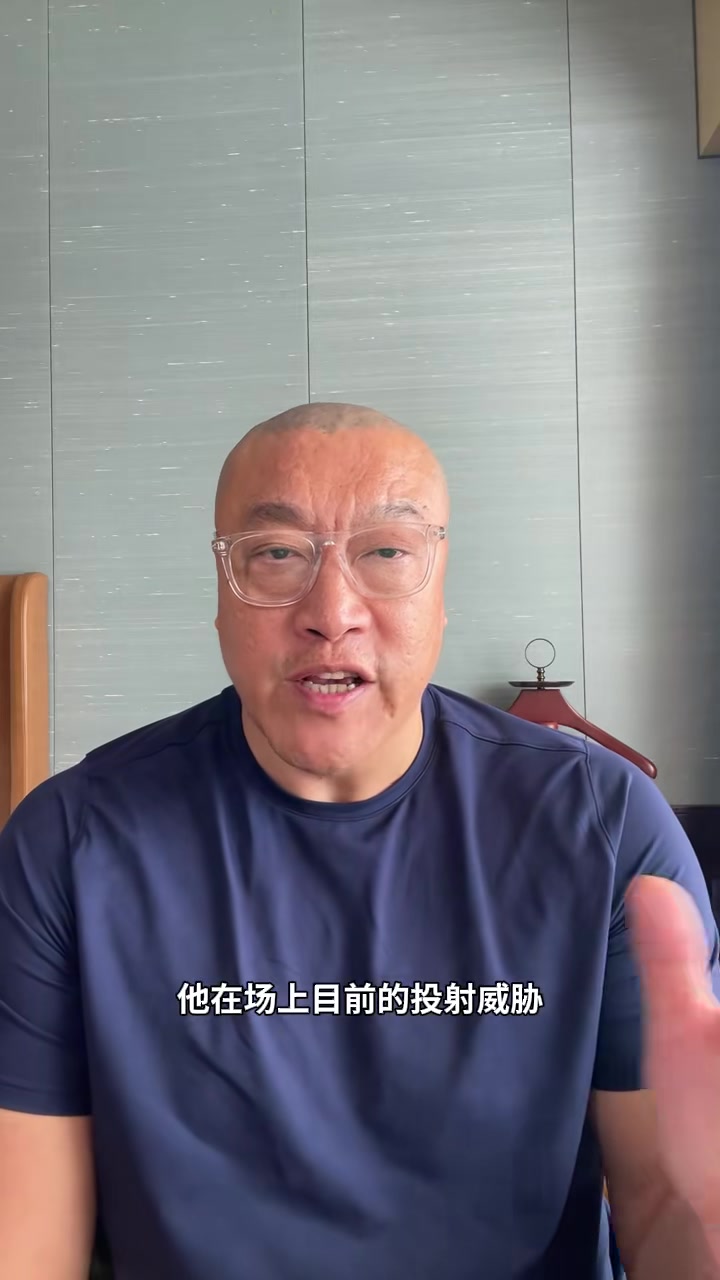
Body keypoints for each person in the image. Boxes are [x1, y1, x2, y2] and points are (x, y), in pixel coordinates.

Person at [0, 402, 718, 1280]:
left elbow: (666, 1211)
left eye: (386, 553)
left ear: (441, 593)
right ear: (220, 596)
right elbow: (28, 1245)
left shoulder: (603, 827)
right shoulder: (70, 845)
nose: (331, 612)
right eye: (276, 554)